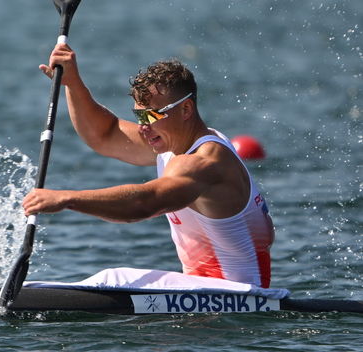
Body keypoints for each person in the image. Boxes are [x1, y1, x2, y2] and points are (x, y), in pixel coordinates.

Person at [21, 43, 275, 287]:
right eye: (139, 116)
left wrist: (67, 198)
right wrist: (72, 83)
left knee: (116, 279)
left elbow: (144, 203)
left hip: (238, 292)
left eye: (151, 115)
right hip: (207, 293)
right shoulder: (170, 143)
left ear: (186, 109)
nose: (143, 126)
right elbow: (104, 135)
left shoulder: (205, 161)